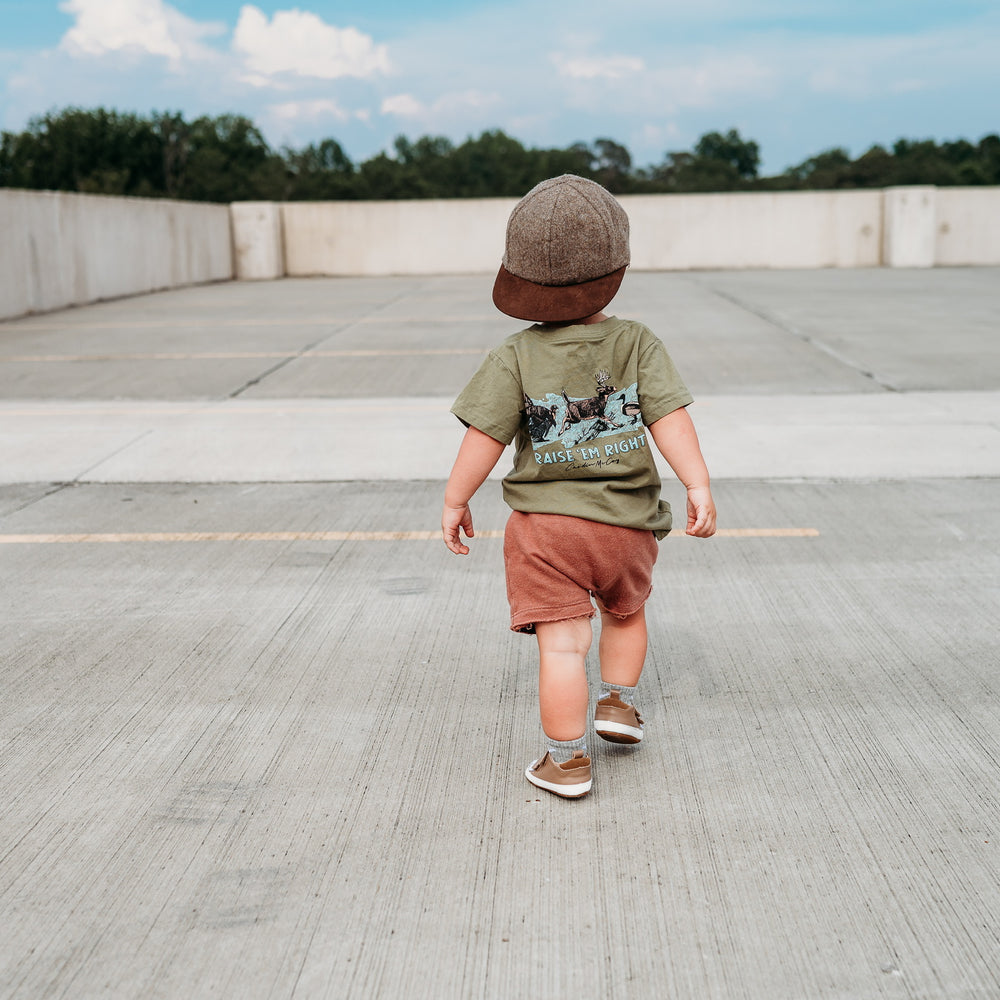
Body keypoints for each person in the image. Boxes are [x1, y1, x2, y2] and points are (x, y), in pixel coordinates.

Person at [442, 174, 716, 799]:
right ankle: (617, 704)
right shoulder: (637, 341)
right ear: (616, 268)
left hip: (546, 532)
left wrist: (457, 500)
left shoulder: (514, 355)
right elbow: (671, 418)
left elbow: (482, 437)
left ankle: (565, 762)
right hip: (628, 526)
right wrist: (696, 483)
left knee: (563, 648)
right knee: (626, 612)